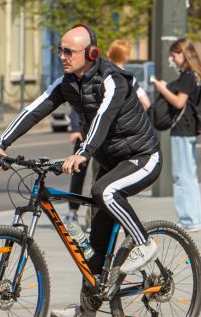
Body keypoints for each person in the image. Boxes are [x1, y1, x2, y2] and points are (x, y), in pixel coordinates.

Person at [0, 24, 162, 317]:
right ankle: (87, 312)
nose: (63, 57)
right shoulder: (67, 82)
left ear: (91, 54)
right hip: (110, 162)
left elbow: (105, 116)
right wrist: (0, 143)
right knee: (94, 244)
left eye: (69, 51)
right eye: (60, 51)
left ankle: (144, 243)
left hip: (142, 157)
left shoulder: (112, 80)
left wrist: (84, 151)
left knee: (104, 191)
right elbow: (34, 110)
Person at [63, 39, 149, 226]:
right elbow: (146, 103)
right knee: (105, 184)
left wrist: (76, 129)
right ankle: (100, 224)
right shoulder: (128, 77)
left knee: (93, 180)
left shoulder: (110, 75)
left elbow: (78, 105)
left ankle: (81, 216)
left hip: (95, 139)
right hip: (111, 140)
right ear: (126, 56)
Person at [152, 38, 201, 232]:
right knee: (189, 177)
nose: (172, 59)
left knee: (181, 177)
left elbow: (178, 102)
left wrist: (162, 89)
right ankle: (196, 219)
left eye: (174, 55)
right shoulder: (196, 75)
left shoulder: (187, 75)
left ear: (183, 54)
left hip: (183, 129)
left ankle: (188, 220)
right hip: (189, 128)